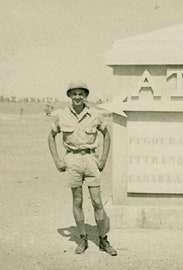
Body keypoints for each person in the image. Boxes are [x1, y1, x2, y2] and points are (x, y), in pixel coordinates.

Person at [48, 81, 117, 256]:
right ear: (69, 96)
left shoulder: (95, 114)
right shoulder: (62, 116)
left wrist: (102, 160)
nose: (77, 97)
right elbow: (51, 137)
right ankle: (82, 238)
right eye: (74, 94)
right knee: (77, 201)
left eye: (81, 93)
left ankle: (103, 239)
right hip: (72, 160)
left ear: (85, 95)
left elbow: (106, 136)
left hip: (91, 159)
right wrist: (58, 160)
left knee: (97, 202)